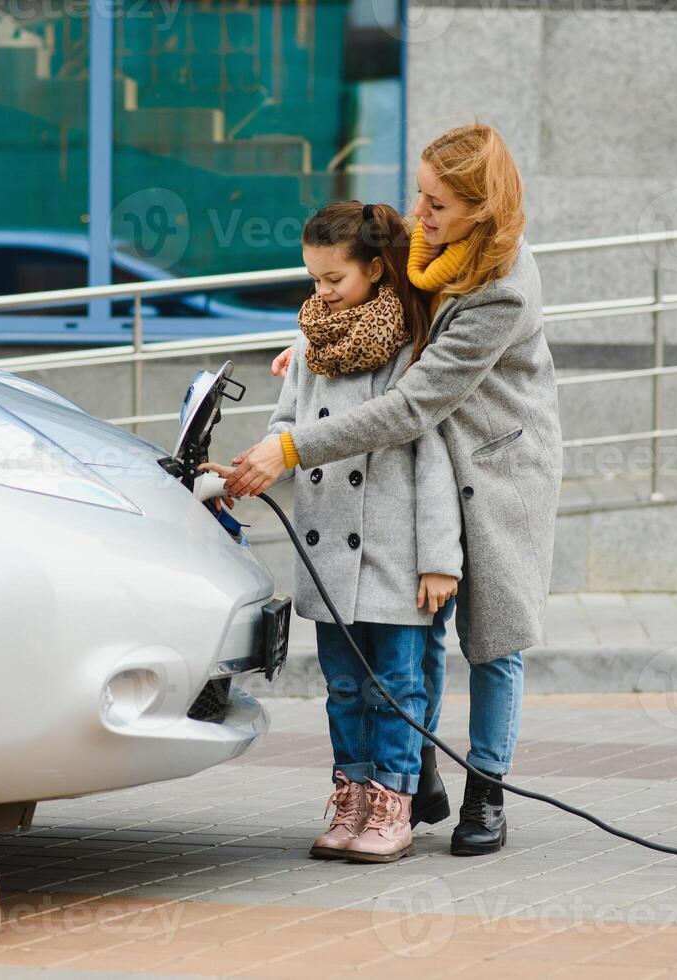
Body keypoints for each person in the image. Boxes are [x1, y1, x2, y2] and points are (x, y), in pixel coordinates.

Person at [222, 124, 563, 856]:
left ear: (480, 207)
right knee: (420, 627)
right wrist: (316, 342)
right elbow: (375, 311)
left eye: (438, 203)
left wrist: (289, 445)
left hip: (493, 461)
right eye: (420, 193)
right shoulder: (423, 244)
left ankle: (488, 791)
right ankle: (412, 780)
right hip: (423, 453)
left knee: (493, 639)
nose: (421, 213)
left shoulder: (504, 286)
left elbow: (413, 404)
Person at [202, 200, 460, 863]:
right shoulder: (309, 344)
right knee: (344, 686)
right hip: (326, 547)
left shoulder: (410, 348)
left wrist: (440, 558)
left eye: (333, 280)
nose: (320, 293)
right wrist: (244, 470)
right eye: (312, 279)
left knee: (395, 687)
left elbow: (432, 455)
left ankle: (392, 805)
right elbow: (284, 431)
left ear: (375, 270)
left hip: (396, 551)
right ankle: (349, 799)